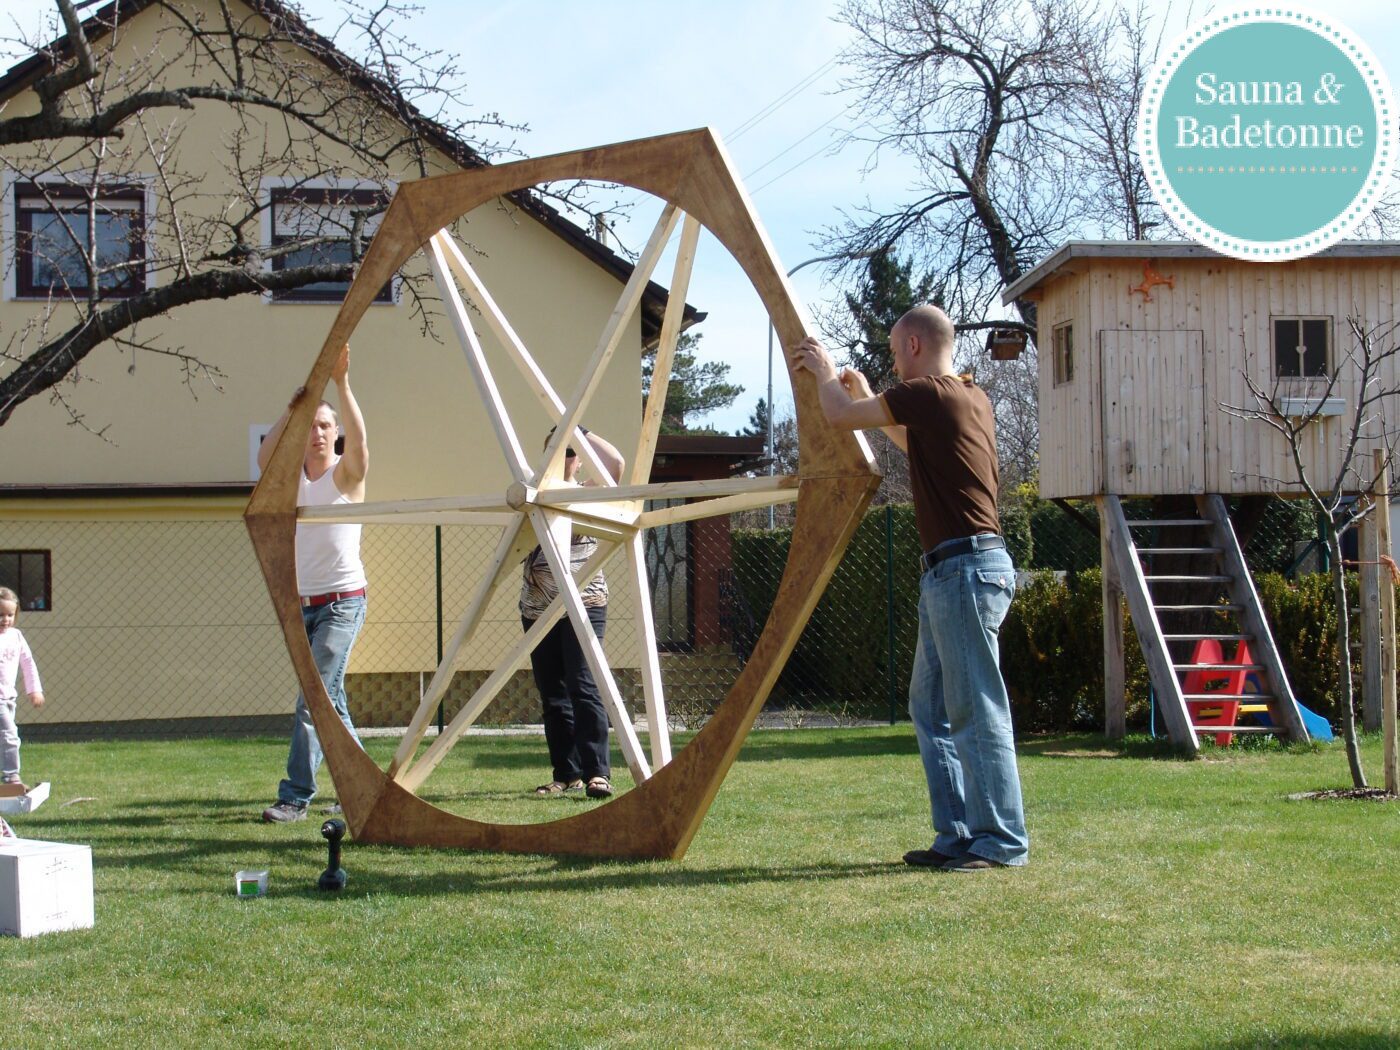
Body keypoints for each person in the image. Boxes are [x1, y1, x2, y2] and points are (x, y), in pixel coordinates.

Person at [791, 305, 1028, 872]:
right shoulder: (966, 396)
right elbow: (904, 438)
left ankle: (1000, 842)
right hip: (958, 570)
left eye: (896, 351)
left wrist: (825, 372)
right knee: (931, 707)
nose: (895, 362)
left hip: (964, 569)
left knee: (975, 709)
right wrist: (869, 395)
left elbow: (838, 416)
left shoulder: (928, 391)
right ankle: (957, 836)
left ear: (915, 346)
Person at [259, 344, 369, 823]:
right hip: (303, 606)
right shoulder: (291, 481)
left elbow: (361, 447)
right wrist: (294, 408)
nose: (318, 434)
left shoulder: (345, 477)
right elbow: (265, 457)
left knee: (312, 699)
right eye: (311, 427)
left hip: (343, 603)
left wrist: (342, 384)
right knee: (331, 703)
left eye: (325, 426)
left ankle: (295, 795)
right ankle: (363, 787)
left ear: (334, 433)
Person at [521, 427, 625, 800]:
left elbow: (616, 465)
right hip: (537, 607)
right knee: (553, 694)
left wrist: (580, 430)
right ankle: (566, 775)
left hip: (584, 603)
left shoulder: (586, 493)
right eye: (556, 448)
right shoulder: (533, 491)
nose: (563, 456)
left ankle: (597, 773)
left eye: (570, 450)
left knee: (583, 685)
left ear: (579, 459)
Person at [0, 586, 44, 788]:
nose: (5, 619)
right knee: (10, 735)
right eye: (0, 615)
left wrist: (34, 690)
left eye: (10, 615)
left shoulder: (15, 636)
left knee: (6, 737)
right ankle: (11, 777)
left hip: (9, 698)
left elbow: (28, 663)